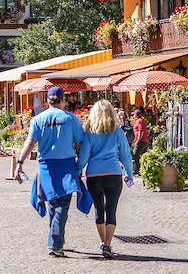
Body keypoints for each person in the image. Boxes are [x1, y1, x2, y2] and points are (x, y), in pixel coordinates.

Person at [15, 86, 85, 258]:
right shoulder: (71, 119)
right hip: (67, 165)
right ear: (63, 100)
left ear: (48, 100)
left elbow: (30, 143)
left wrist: (19, 163)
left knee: (53, 202)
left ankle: (57, 240)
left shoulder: (38, 119)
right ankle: (55, 243)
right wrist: (80, 166)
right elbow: (79, 145)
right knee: (62, 204)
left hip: (46, 167)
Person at [76, 100, 134, 259]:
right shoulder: (117, 132)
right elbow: (126, 156)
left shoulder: (89, 131)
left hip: (94, 175)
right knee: (111, 210)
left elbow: (84, 156)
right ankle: (108, 243)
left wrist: (78, 169)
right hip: (114, 174)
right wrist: (129, 173)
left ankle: (102, 241)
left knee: (99, 209)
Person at [131, 108, 150, 175]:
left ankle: (137, 169)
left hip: (141, 140)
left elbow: (140, 130)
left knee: (135, 154)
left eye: (133, 115)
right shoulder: (141, 120)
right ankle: (143, 169)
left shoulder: (139, 121)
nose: (133, 116)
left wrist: (138, 139)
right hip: (144, 140)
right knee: (143, 155)